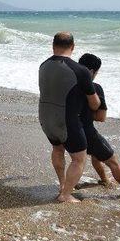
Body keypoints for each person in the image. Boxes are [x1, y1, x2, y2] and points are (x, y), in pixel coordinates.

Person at [38, 32, 101, 203]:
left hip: (45, 117)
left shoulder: (43, 65)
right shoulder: (80, 70)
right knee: (78, 158)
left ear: (53, 45)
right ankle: (65, 195)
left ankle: (62, 185)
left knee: (58, 149)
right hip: (66, 120)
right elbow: (94, 104)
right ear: (73, 47)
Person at [78, 53, 120, 197]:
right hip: (86, 130)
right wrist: (87, 113)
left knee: (95, 154)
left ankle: (104, 179)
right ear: (92, 71)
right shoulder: (95, 88)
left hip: (67, 130)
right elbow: (101, 117)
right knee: (112, 161)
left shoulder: (69, 84)